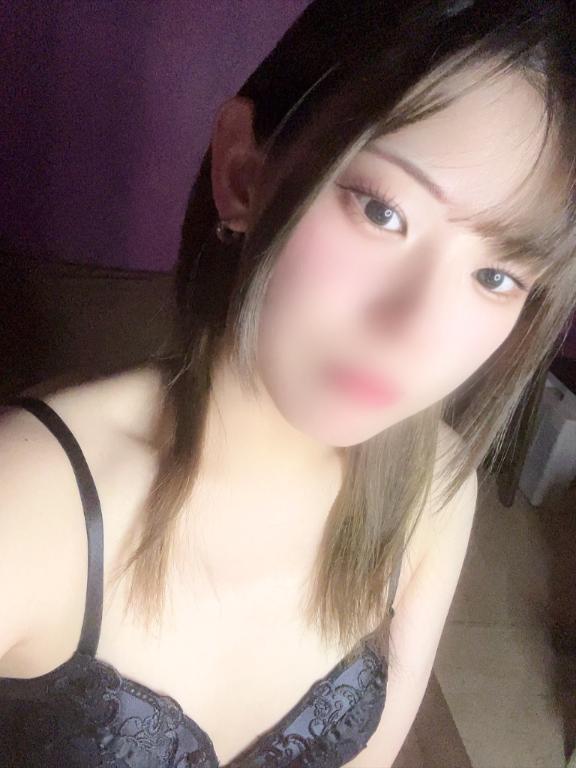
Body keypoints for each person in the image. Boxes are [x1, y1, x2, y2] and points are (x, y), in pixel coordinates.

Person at [1, 1, 575, 766]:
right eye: (383, 212)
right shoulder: (28, 503)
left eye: (497, 276)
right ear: (244, 174)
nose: (416, 329)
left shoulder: (432, 490)